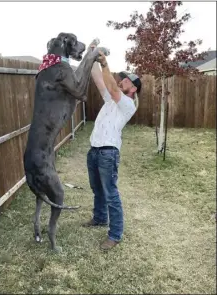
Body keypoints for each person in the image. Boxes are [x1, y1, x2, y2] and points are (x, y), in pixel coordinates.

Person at [82, 46, 142, 251]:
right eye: (122, 78)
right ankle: (99, 218)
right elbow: (100, 80)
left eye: (126, 80)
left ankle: (115, 234)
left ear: (133, 89)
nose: (122, 80)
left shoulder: (127, 103)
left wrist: (105, 63)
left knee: (110, 193)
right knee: (97, 188)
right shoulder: (111, 99)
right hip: (94, 150)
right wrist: (91, 56)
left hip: (108, 153)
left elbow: (112, 88)